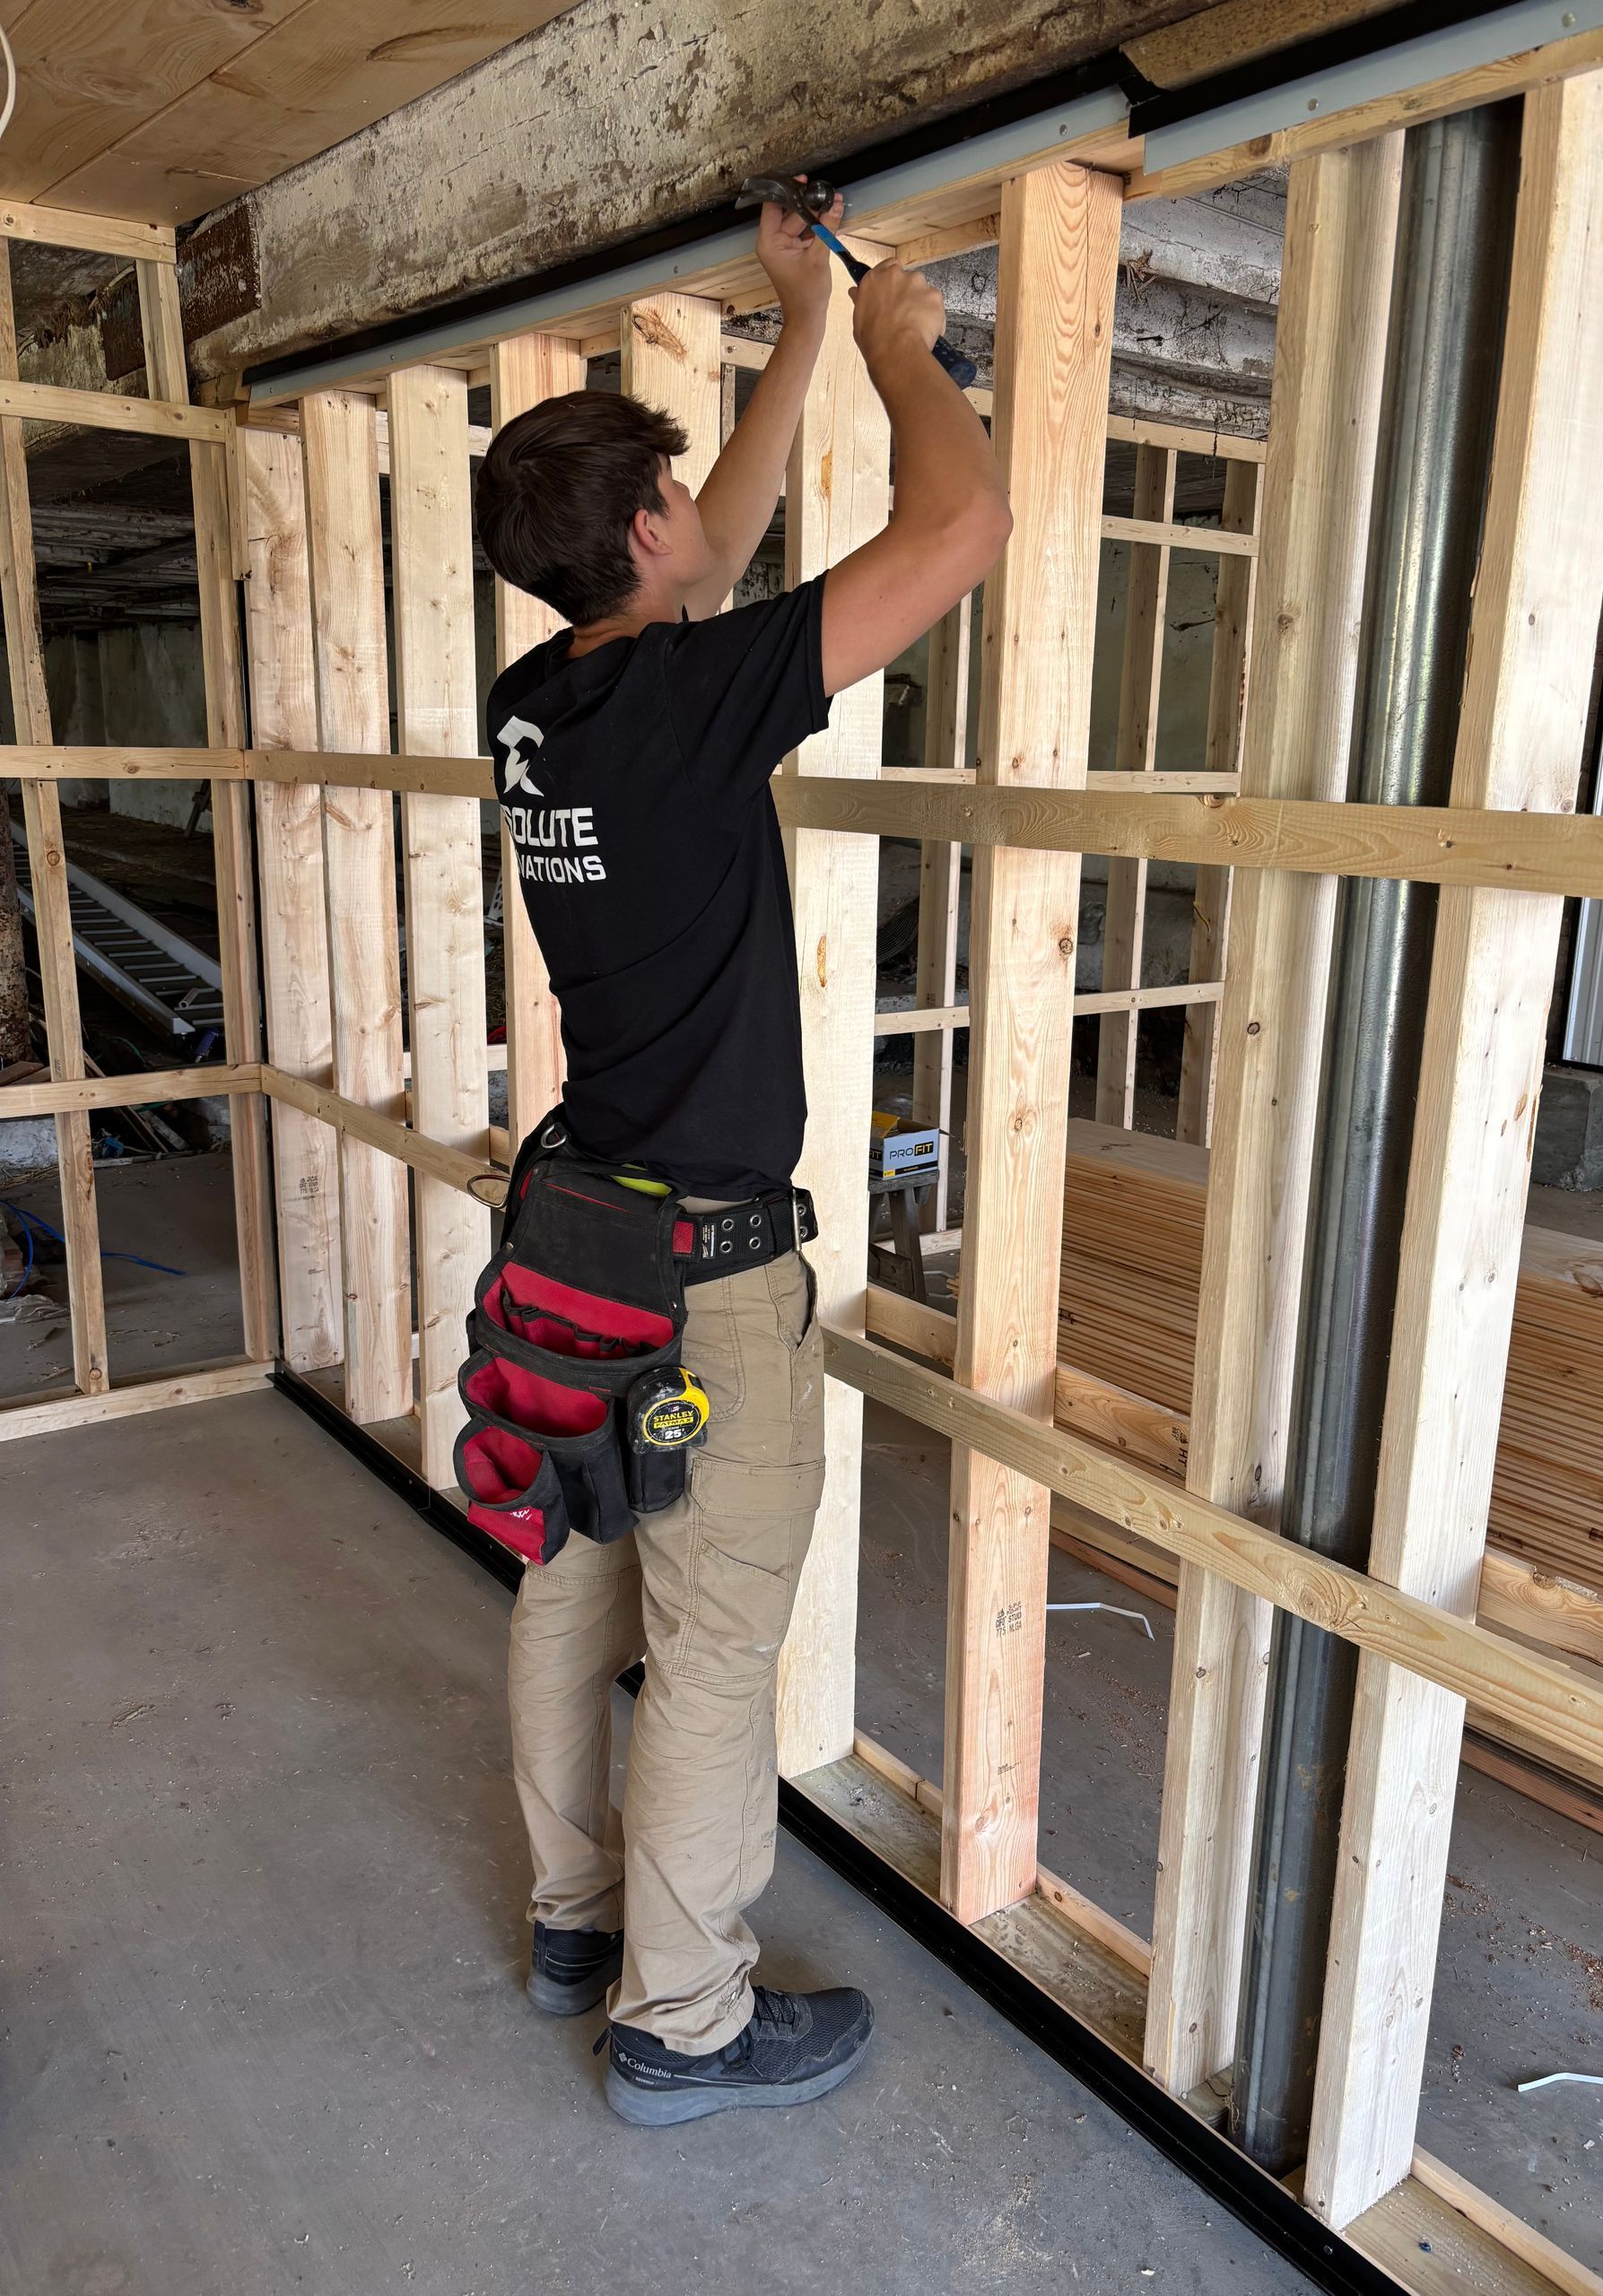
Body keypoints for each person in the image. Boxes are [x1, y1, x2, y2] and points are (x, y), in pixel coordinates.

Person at [472, 188, 1011, 2127]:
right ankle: (680, 2021)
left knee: (571, 1567)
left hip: (574, 1234)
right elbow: (961, 531)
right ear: (641, 535)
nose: (706, 531)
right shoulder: (686, 699)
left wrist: (791, 321)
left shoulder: (545, 708)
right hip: (701, 1266)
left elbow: (730, 558)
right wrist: (896, 345)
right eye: (678, 510)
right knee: (706, 1645)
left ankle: (572, 1917)